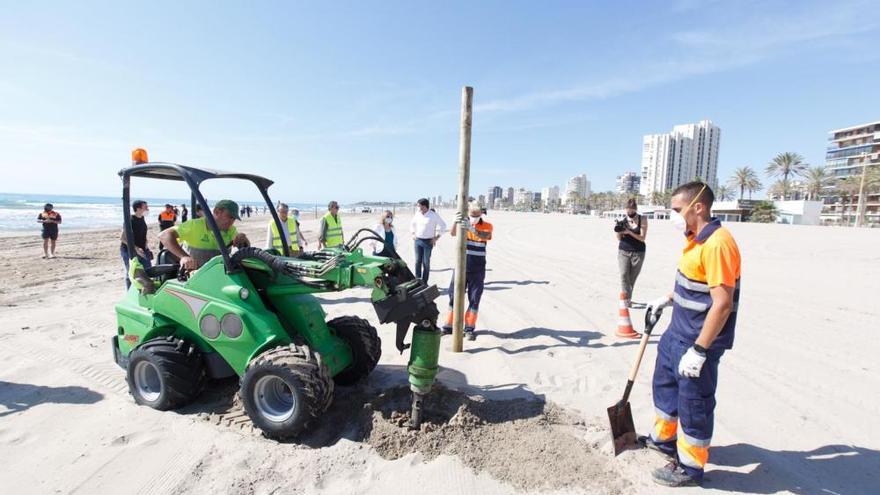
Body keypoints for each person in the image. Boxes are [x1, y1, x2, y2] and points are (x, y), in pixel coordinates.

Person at [641, 182, 741, 487]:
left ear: (698, 207)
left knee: (694, 402)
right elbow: (693, 281)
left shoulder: (718, 244)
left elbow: (722, 303)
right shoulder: (695, 239)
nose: (672, 215)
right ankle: (664, 439)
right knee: (665, 385)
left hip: (698, 338)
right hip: (677, 332)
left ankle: (690, 465)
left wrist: (699, 350)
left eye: (675, 209)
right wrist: (666, 299)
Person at [442, 202, 492, 341]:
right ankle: (448, 326)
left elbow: (486, 236)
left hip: (478, 268)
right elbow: (452, 233)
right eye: (472, 215)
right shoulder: (462, 224)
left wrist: (472, 228)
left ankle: (469, 328)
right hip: (460, 266)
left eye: (477, 215)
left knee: (474, 298)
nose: (474, 217)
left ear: (481, 213)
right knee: (454, 296)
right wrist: (455, 222)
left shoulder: (487, 225)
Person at [159, 199, 250, 271]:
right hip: (193, 275)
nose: (232, 221)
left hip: (218, 274)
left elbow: (245, 247)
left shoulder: (231, 230)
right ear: (217, 211)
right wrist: (184, 257)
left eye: (234, 218)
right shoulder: (194, 225)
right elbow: (164, 235)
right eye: (229, 216)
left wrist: (244, 239)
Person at [617, 197, 648, 309]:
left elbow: (642, 238)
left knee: (632, 278)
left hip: (638, 252)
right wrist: (619, 231)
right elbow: (619, 239)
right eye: (628, 209)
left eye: (632, 209)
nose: (629, 212)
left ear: (635, 209)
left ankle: (628, 298)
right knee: (624, 275)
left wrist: (629, 232)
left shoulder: (642, 219)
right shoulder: (623, 220)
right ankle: (626, 300)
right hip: (623, 251)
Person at [410, 198, 447, 283]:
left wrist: (437, 237)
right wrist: (413, 234)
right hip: (418, 240)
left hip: (428, 242)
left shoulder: (433, 215)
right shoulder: (417, 214)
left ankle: (424, 281)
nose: (418, 207)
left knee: (426, 262)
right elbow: (412, 224)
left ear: (424, 206)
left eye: (419, 206)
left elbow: (443, 226)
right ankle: (417, 279)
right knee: (417, 261)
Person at [120, 200, 153, 289]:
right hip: (129, 250)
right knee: (131, 272)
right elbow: (123, 238)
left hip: (142, 250)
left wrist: (146, 244)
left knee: (147, 270)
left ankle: (145, 289)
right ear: (138, 209)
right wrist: (136, 249)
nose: (147, 209)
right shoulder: (130, 220)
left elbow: (142, 233)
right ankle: (130, 292)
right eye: (145, 207)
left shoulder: (142, 218)